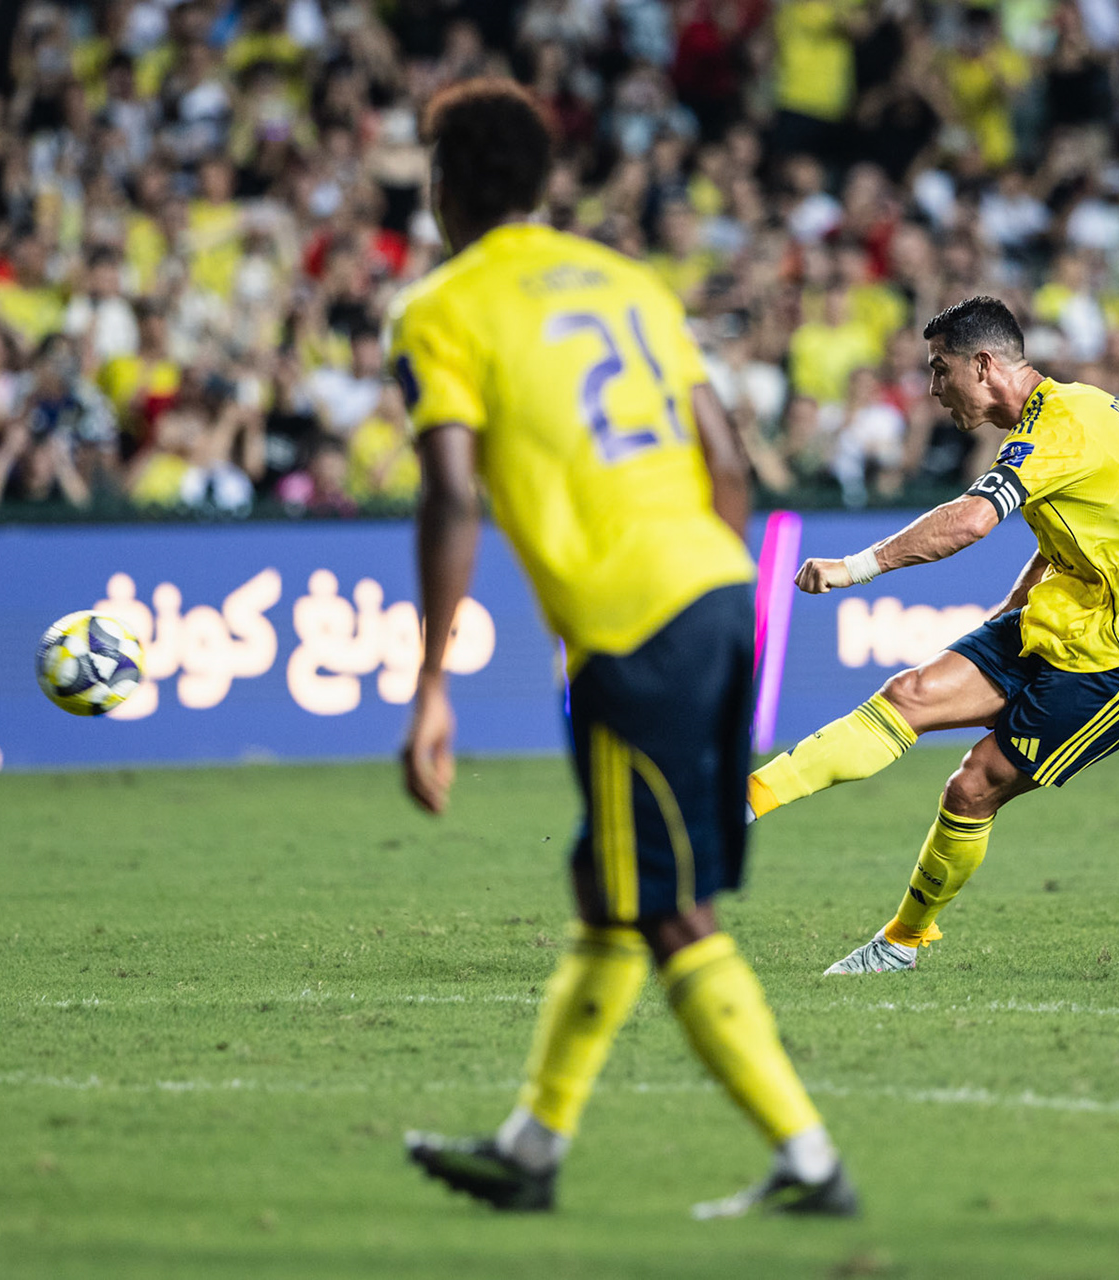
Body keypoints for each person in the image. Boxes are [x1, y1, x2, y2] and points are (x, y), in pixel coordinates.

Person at [388, 80, 856, 1219]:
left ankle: (809, 1163)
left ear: (445, 187)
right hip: (713, 588)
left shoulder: (443, 308)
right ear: (547, 182)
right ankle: (533, 1144)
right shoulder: (629, 283)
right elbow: (730, 463)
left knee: (667, 906)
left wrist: (434, 679)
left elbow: (452, 494)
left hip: (626, 621)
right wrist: (708, 585)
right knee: (609, 876)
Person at [747, 296, 1119, 974]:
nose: (932, 389)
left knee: (973, 785)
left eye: (939, 370)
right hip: (1061, 615)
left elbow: (969, 523)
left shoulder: (1060, 430)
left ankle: (901, 942)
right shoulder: (1068, 410)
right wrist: (1012, 611)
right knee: (911, 694)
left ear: (983, 365)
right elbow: (1070, 527)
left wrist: (854, 569)